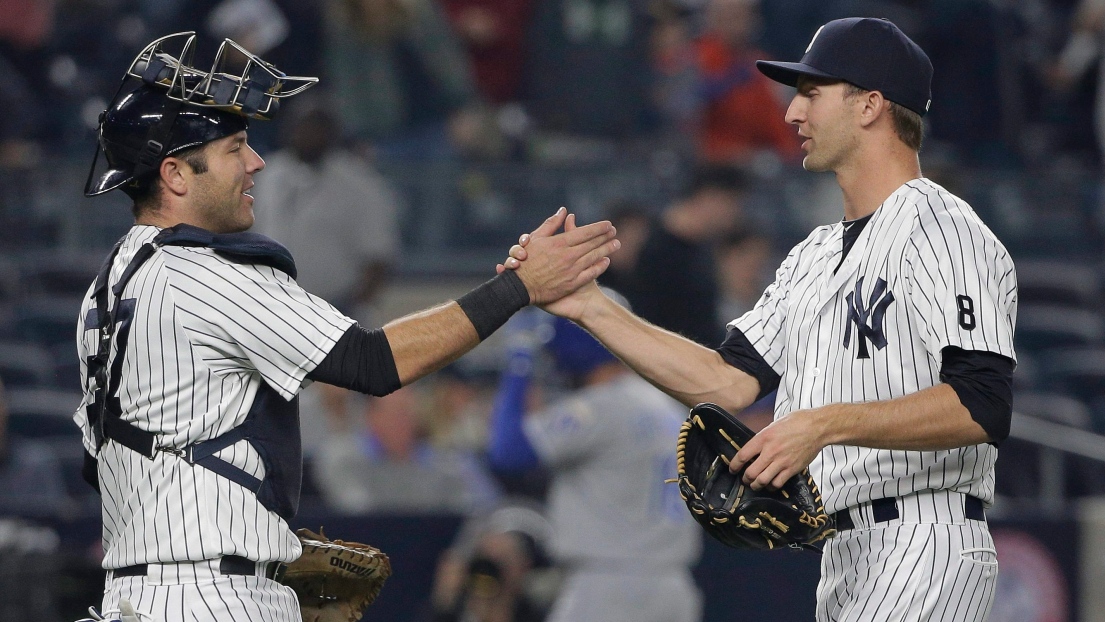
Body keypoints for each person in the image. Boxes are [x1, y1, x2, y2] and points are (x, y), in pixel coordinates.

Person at [74, 33, 618, 622]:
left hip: (142, 592)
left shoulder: (109, 286)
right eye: (235, 149)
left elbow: (114, 458)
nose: (256, 162)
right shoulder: (203, 274)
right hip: (211, 597)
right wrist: (519, 287)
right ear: (176, 174)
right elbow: (372, 363)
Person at [503, 17, 1017, 621]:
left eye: (811, 93)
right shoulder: (813, 255)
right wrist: (586, 306)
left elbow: (983, 402)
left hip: (926, 537)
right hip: (845, 549)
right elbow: (725, 381)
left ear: (871, 105)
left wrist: (822, 425)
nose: (792, 114)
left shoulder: (942, 228)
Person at [486, 304, 702, 622]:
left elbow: (508, 453)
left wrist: (520, 359)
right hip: (673, 588)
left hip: (609, 589)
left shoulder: (601, 407)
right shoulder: (667, 407)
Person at [626, 164, 746, 346]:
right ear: (711, 197)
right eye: (732, 203)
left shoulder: (703, 247)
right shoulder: (655, 248)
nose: (735, 214)